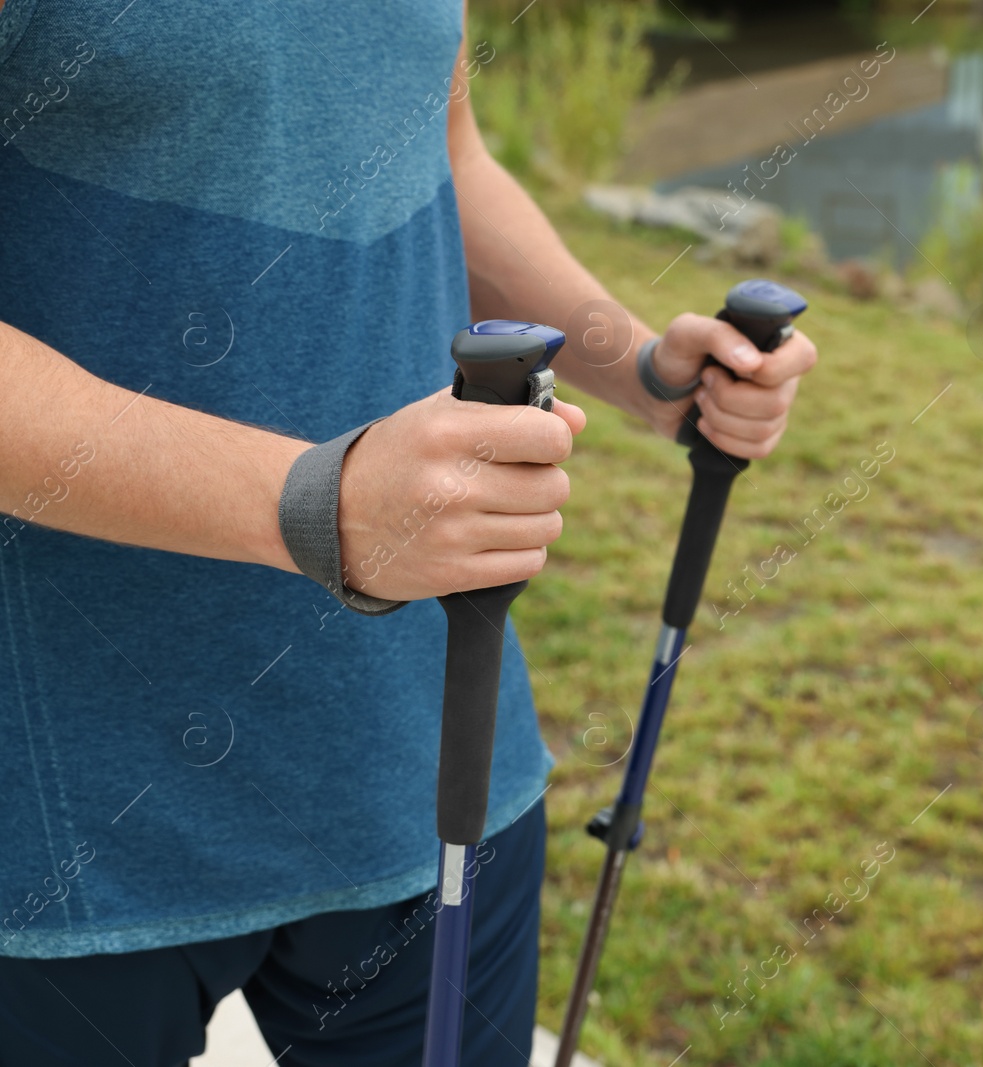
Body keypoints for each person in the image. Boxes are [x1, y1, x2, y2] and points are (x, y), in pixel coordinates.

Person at [0, 2, 816, 1064]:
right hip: (68, 806)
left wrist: (646, 367)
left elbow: (443, 149)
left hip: (430, 741)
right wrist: (317, 501)